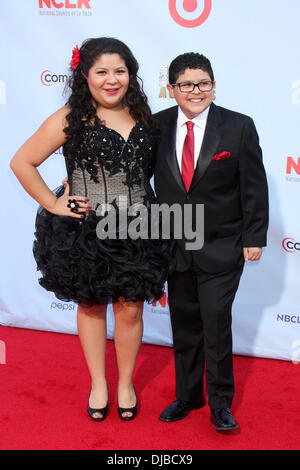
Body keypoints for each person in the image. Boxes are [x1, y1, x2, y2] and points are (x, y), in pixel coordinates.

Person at [10, 37, 173, 422]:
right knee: (91, 304)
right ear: (85, 75)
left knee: (131, 311)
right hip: (87, 231)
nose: (111, 79)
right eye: (102, 71)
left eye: (120, 70)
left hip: (138, 228)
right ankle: (99, 383)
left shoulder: (146, 116)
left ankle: (126, 384)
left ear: (131, 74)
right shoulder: (71, 118)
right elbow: (22, 161)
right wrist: (52, 203)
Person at [154, 53, 268, 431]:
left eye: (203, 83)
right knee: (183, 323)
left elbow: (253, 186)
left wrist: (254, 236)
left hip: (222, 244)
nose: (196, 91)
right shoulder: (157, 126)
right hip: (174, 245)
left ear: (213, 86)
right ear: (172, 90)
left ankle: (220, 403)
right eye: (186, 84)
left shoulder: (238, 127)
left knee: (215, 324)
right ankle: (187, 396)